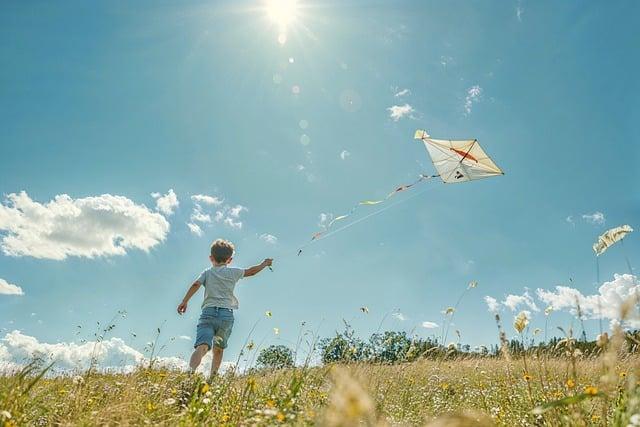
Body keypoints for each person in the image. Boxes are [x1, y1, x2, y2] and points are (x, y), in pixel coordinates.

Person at [177, 238, 272, 379]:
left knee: (202, 346)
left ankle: (190, 374)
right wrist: (264, 264)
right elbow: (251, 271)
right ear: (229, 260)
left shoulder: (207, 273)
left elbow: (196, 285)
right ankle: (212, 378)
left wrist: (185, 301)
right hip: (226, 316)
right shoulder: (233, 272)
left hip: (208, 313)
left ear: (211, 258)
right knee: (219, 349)